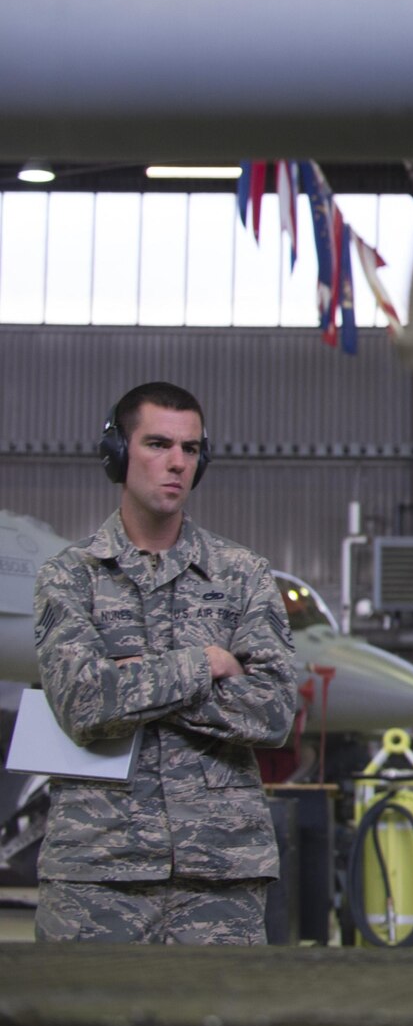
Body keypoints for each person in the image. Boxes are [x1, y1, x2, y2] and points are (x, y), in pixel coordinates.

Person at [32, 382, 299, 943]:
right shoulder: (69, 576)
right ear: (119, 454)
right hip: (95, 873)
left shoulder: (244, 575)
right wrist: (204, 663)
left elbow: (272, 713)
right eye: (157, 444)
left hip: (219, 877)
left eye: (191, 449)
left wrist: (130, 680)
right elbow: (84, 703)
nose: (177, 462)